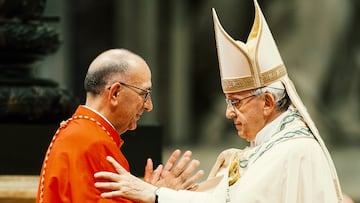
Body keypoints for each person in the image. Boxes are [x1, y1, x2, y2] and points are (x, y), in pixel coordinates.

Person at [93, 1, 347, 202]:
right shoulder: (267, 148)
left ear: (268, 102)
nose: (228, 113)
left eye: (237, 102)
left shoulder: (292, 151)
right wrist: (162, 191)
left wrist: (155, 195)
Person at [36, 48, 204, 203]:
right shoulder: (94, 144)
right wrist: (159, 196)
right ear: (115, 93)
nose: (148, 105)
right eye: (144, 93)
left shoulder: (81, 132)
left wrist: (148, 192)